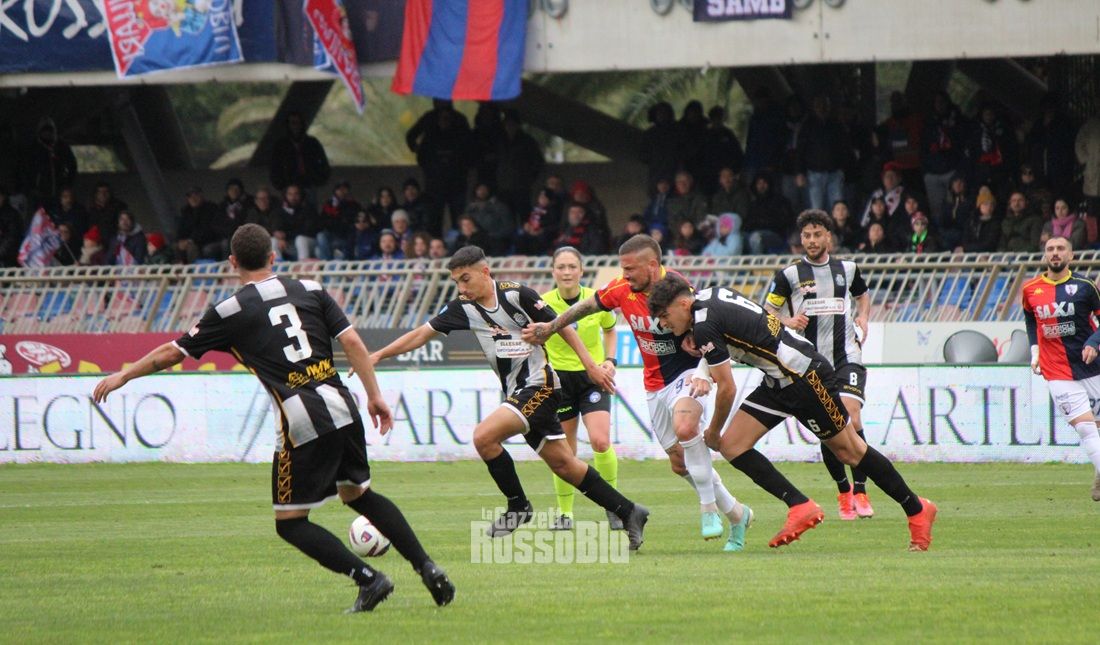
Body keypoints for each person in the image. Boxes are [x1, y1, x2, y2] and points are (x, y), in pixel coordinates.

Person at [92, 224, 454, 612]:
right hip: (343, 408)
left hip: (301, 424)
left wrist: (125, 374)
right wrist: (375, 395)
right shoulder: (311, 288)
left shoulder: (228, 311)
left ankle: (369, 579)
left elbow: (173, 352)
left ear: (233, 262)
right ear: (273, 256)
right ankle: (427, 567)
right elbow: (351, 341)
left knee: (290, 522)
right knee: (358, 495)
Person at [366, 246, 650, 549]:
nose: (462, 288)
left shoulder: (517, 295)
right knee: (565, 465)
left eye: (466, 279)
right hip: (517, 392)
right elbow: (421, 334)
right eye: (457, 282)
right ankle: (630, 511)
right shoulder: (463, 307)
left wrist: (591, 366)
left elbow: (563, 327)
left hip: (540, 385)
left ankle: (518, 506)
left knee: (484, 437)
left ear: (485, 272)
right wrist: (379, 355)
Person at [647, 274, 938, 551]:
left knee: (850, 451)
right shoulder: (711, 295)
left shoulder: (704, 324)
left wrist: (712, 430)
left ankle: (917, 509)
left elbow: (727, 389)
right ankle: (800, 505)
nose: (663, 324)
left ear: (682, 303)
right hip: (778, 380)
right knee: (733, 445)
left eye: (664, 315)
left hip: (805, 376)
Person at [523, 235, 751, 551]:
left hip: (686, 373)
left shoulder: (678, 287)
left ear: (652, 265)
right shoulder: (622, 289)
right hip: (654, 383)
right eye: (623, 268)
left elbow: (703, 322)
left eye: (630, 269)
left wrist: (700, 357)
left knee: (686, 428)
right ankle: (738, 513)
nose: (625, 274)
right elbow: (587, 307)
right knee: (679, 463)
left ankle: (708, 508)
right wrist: (550, 327)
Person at [765, 209, 875, 519]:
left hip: (847, 356)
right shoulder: (788, 275)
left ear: (828, 236)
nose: (812, 240)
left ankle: (861, 492)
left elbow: (863, 295)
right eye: (807, 236)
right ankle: (843, 491)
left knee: (852, 416)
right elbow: (767, 311)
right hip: (811, 363)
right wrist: (788, 321)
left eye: (817, 235)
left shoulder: (848, 269)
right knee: (831, 428)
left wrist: (863, 316)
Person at [541, 247, 622, 530]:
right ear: (553, 271)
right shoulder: (542, 303)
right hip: (559, 383)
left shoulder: (596, 299)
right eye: (561, 267)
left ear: (581, 270)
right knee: (565, 451)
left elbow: (610, 329)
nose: (566, 272)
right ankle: (565, 515)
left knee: (600, 441)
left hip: (593, 379)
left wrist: (610, 360)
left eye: (572, 267)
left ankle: (614, 507)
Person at [1025, 236, 1100, 500]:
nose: (1055, 253)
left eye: (1060, 249)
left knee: (1097, 427)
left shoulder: (1086, 287)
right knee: (1085, 427)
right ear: (1045, 255)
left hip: (1091, 366)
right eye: (1050, 249)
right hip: (1056, 369)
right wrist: (1035, 350)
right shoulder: (1030, 289)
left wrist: (1094, 342)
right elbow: (1030, 319)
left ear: (1071, 255)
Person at [269, 111, 331, 195]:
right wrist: (280, 184)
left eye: (298, 123)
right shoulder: (280, 145)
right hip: (288, 187)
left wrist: (319, 179)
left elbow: (324, 163)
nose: (296, 126)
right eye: (293, 123)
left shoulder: (312, 143)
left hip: (309, 185)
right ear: (288, 125)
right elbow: (274, 166)